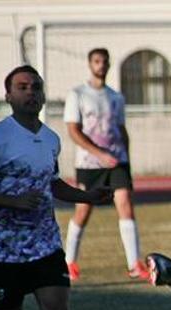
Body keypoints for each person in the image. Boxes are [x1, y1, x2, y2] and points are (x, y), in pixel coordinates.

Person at [0, 65, 113, 310]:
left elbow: (52, 184)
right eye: (23, 87)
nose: (31, 93)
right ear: (8, 95)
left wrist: (89, 196)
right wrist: (12, 202)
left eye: (36, 87)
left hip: (44, 245)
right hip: (2, 251)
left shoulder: (51, 138)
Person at [62, 47, 148, 281]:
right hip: (89, 164)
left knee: (125, 204)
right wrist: (98, 154)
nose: (101, 65)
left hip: (116, 161)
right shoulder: (77, 94)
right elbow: (73, 130)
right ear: (90, 64)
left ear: (109, 65)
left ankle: (134, 264)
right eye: (97, 61)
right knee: (83, 209)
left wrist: (126, 160)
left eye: (104, 61)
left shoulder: (116, 97)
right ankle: (69, 262)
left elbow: (121, 130)